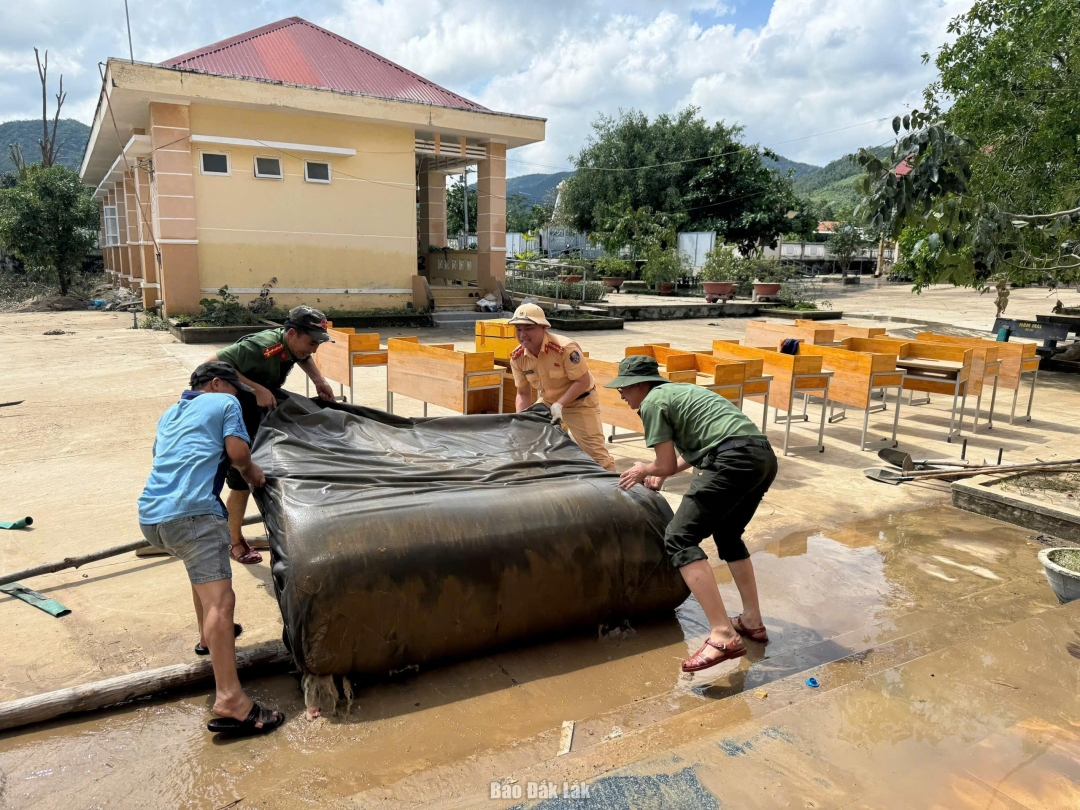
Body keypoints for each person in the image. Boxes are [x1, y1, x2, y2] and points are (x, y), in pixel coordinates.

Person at [604, 355, 778, 673]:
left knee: (679, 537)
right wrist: (662, 470)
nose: (622, 395)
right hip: (760, 456)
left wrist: (646, 469)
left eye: (625, 389)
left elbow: (665, 463)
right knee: (727, 534)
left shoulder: (652, 402)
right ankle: (752, 621)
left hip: (732, 460)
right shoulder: (681, 393)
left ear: (642, 385)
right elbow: (702, 446)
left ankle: (723, 635)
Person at [137, 361, 284, 736]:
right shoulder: (223, 403)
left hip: (153, 517)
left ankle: (207, 637)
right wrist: (255, 476)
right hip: (195, 516)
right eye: (235, 389)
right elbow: (236, 453)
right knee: (222, 601)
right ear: (216, 383)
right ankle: (231, 700)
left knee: (201, 572)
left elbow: (164, 458)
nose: (237, 397)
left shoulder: (170, 413)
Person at [209, 305, 335, 563]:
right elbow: (213, 365)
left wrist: (319, 380)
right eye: (311, 342)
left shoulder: (292, 346)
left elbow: (302, 356)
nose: (314, 349)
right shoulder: (262, 346)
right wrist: (255, 389)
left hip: (259, 408)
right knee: (241, 479)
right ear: (291, 334)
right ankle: (233, 541)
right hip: (236, 413)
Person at [507, 303, 616, 471]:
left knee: (595, 455)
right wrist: (521, 418)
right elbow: (523, 393)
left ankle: (613, 491)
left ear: (543, 328)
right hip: (549, 403)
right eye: (518, 329)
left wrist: (560, 404)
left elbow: (583, 381)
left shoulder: (564, 348)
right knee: (531, 442)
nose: (522, 335)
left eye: (528, 328)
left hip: (580, 402)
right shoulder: (518, 357)